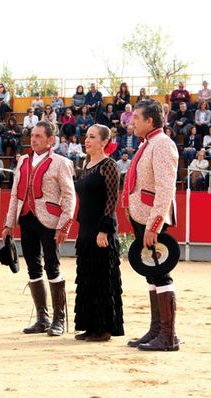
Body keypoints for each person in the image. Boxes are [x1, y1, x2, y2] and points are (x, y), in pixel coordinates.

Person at [2, 120, 76, 337]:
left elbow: (70, 196)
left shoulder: (61, 162)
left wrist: (64, 224)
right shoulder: (23, 161)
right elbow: (16, 194)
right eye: (32, 135)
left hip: (51, 222)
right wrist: (8, 223)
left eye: (38, 136)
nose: (33, 140)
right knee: (33, 267)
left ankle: (58, 320)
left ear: (50, 140)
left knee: (52, 266)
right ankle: (42, 319)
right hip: (26, 219)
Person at [121, 98, 180, 351]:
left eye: (136, 118)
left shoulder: (163, 144)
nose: (131, 122)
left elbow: (165, 188)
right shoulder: (149, 143)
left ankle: (168, 336)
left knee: (159, 271)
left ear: (150, 120)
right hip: (142, 215)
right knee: (151, 272)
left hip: (151, 219)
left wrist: (154, 225)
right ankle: (157, 330)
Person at [73, 124, 123, 342]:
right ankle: (91, 325)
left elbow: (112, 200)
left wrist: (104, 230)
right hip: (85, 228)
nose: (87, 140)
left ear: (104, 142)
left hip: (101, 228)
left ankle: (103, 328)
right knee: (88, 276)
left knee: (102, 277)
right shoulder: (86, 165)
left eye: (92, 137)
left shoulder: (109, 165)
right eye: (86, 136)